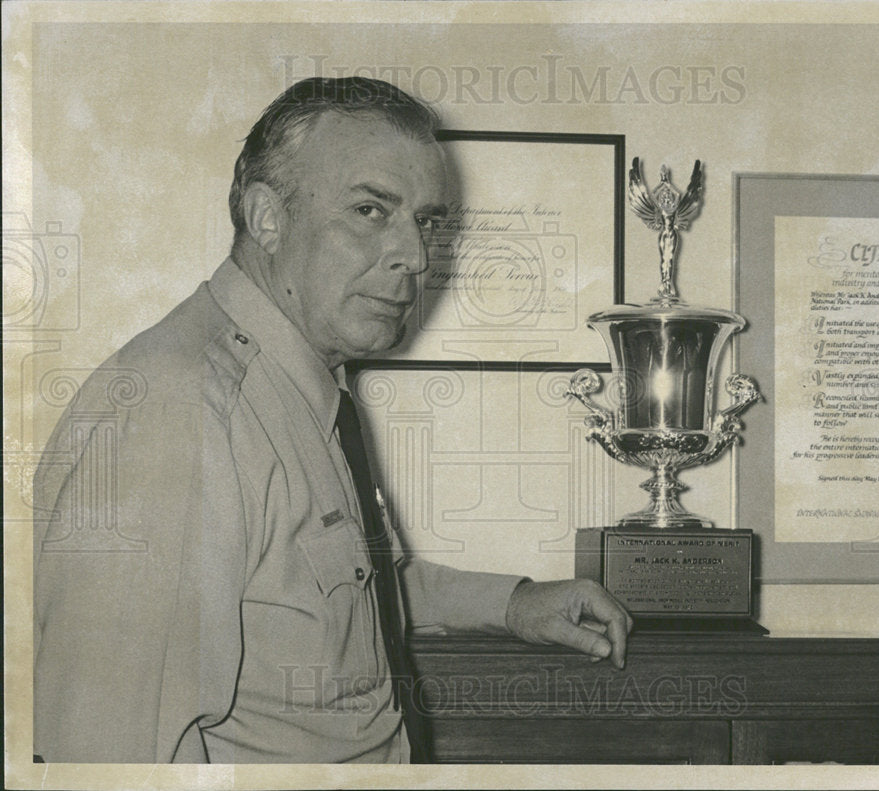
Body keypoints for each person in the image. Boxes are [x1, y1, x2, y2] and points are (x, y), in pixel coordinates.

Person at [33, 77, 632, 764]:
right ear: (267, 218)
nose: (413, 253)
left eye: (427, 221)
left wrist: (514, 603)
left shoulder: (303, 384)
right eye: (372, 209)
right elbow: (105, 750)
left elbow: (342, 586)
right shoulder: (180, 410)